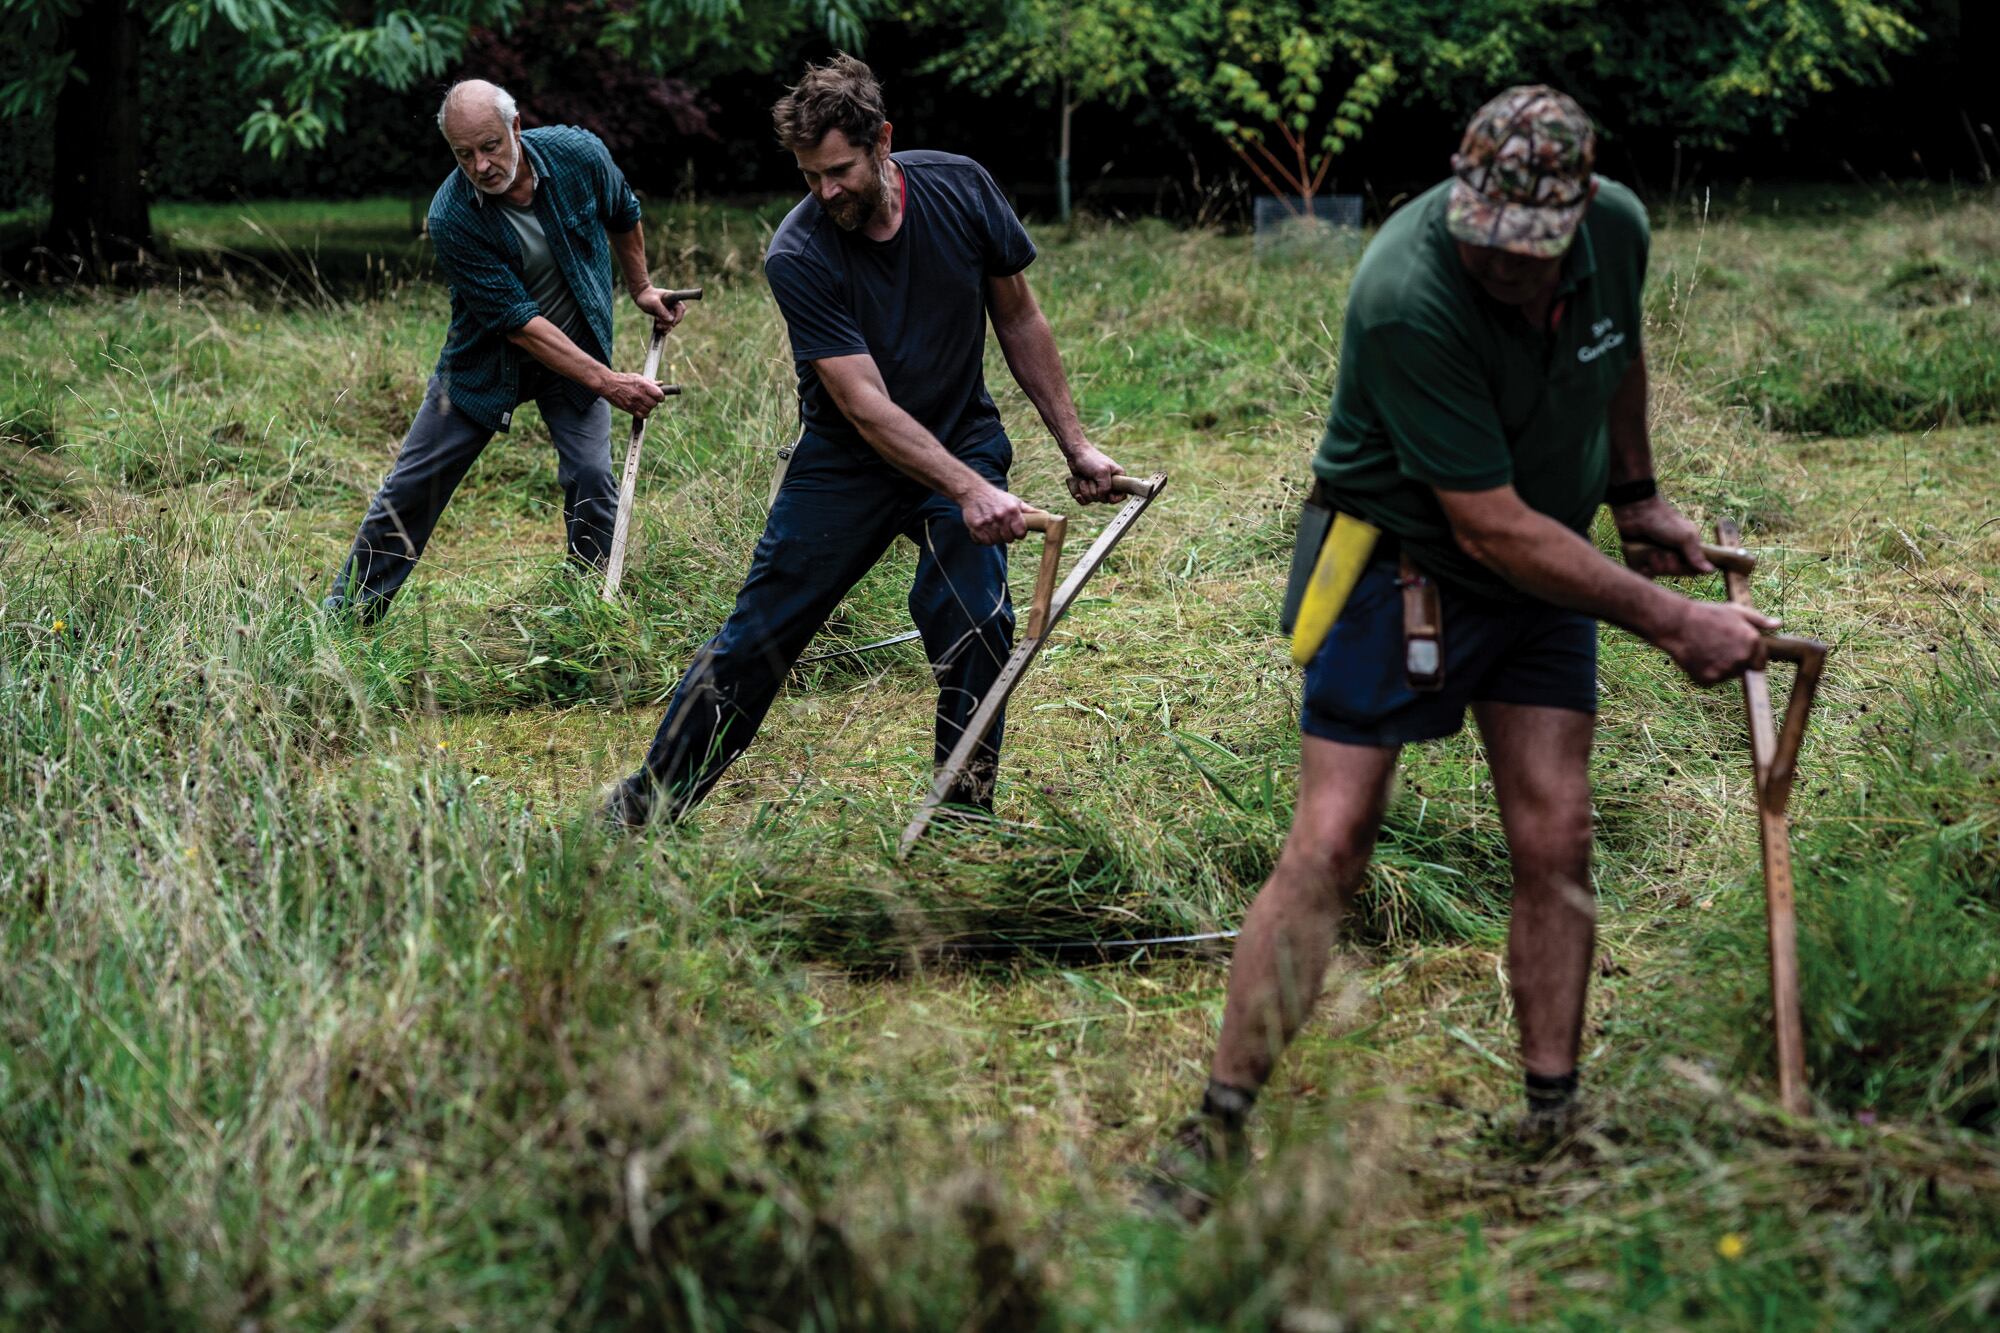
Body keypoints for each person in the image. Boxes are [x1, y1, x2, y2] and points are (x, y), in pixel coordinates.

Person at [1143, 86, 1778, 1220]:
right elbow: (1485, 525)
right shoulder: (1401, 292)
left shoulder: (1618, 228)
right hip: (1399, 557)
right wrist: (1670, 619)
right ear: (1457, 190)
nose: (1507, 270)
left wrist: (1633, 496)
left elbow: (1614, 346)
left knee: (1557, 828)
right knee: (1331, 837)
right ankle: (1216, 1126)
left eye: (1532, 252)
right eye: (1488, 246)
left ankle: (1551, 1118)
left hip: (1548, 562)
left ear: (1580, 211)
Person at [604, 54, 1124, 828]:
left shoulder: (961, 187)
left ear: (883, 140)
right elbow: (864, 404)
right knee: (757, 639)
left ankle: (961, 815)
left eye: (840, 169)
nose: (825, 191)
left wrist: (1075, 445)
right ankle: (645, 808)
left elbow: (1018, 317)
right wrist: (969, 490)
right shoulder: (800, 253)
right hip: (846, 464)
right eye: (810, 175)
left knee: (979, 620)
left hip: (962, 433)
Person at [323, 79, 687, 623]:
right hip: (484, 367)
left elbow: (623, 211)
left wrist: (641, 288)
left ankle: (588, 613)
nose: (481, 165)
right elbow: (519, 325)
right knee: (411, 489)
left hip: (576, 358)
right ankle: (344, 619)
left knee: (591, 478)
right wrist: (610, 383)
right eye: (463, 154)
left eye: (490, 145)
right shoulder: (451, 217)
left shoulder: (577, 155)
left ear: (516, 128)